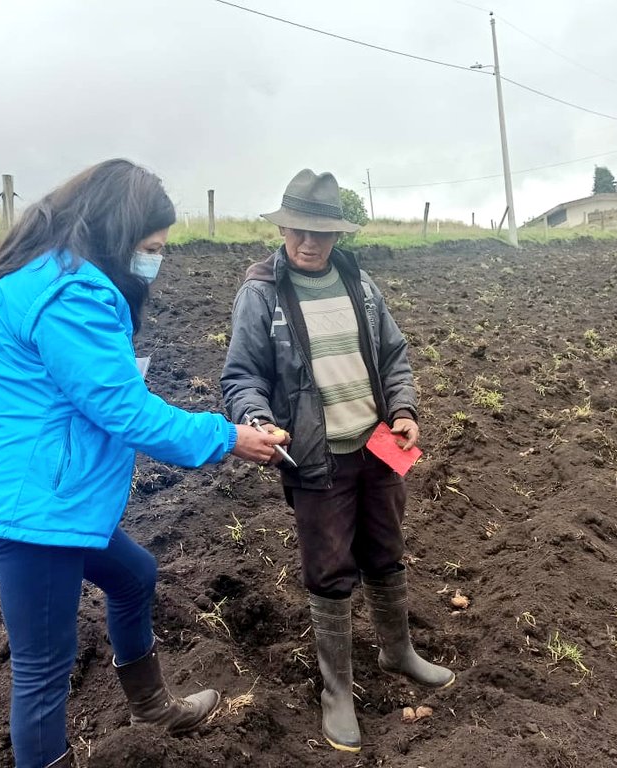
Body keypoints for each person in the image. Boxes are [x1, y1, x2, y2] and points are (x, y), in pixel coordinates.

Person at [0, 159, 284, 768]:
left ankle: (149, 707)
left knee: (133, 575)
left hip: (5, 467)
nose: (154, 261)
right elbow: (127, 413)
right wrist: (229, 437)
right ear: (118, 235)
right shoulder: (71, 293)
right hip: (31, 501)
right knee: (43, 667)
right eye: (149, 248)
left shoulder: (25, 265)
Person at [221, 169, 454, 753]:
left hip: (377, 449)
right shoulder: (261, 293)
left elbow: (394, 353)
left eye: (320, 233)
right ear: (284, 228)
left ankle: (397, 650)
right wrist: (255, 420)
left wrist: (403, 408)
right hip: (315, 456)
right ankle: (337, 691)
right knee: (328, 570)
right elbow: (243, 377)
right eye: (298, 230)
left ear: (336, 236)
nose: (308, 243)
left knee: (385, 549)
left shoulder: (361, 284)